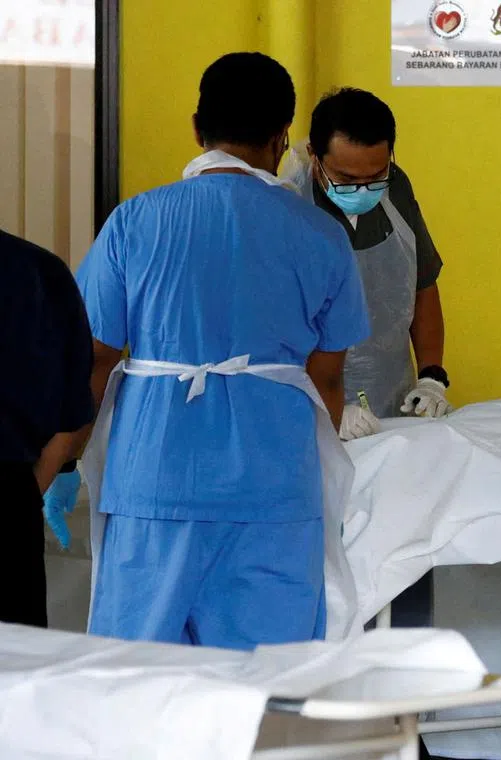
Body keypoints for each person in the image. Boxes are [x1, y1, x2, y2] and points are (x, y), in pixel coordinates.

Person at [74, 52, 370, 649]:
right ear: (282, 137)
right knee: (264, 679)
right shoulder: (321, 234)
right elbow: (328, 381)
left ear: (196, 128)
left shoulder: (134, 221)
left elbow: (95, 363)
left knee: (138, 678)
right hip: (275, 490)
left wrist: (63, 463)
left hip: (152, 481)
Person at [285, 87, 450, 440]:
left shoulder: (397, 189)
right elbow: (270, 330)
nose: (363, 190)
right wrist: (326, 408)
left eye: (375, 177)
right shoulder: (287, 207)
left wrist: (431, 377)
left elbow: (422, 285)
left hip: (395, 395)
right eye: (347, 179)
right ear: (314, 156)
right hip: (310, 408)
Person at [0, 231, 94, 628]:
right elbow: (75, 410)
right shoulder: (40, 270)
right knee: (14, 658)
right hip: (9, 499)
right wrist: (26, 490)